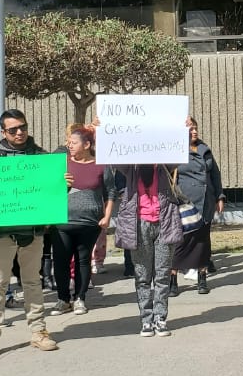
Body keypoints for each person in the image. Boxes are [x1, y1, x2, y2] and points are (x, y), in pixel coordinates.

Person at [0, 109, 59, 359]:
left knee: (33, 282)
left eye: (22, 127)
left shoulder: (41, 157)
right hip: (1, 234)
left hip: (32, 231)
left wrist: (60, 184)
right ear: (3, 132)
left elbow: (52, 192)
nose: (19, 132)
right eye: (13, 129)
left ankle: (38, 332)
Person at [49, 125, 115, 316]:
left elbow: (110, 192)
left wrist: (107, 215)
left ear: (87, 144)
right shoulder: (62, 163)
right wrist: (61, 184)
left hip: (90, 223)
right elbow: (47, 189)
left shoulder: (101, 165)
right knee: (60, 261)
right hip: (62, 221)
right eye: (68, 143)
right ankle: (63, 299)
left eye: (74, 143)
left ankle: (80, 298)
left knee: (83, 260)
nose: (70, 146)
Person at [114, 163, 183, 337]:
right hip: (139, 225)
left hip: (164, 223)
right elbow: (114, 160)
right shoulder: (131, 168)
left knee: (162, 274)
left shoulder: (165, 165)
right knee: (142, 275)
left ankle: (160, 318)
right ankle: (146, 319)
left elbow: (181, 152)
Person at [173, 116, 224, 296]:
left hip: (205, 202)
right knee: (180, 242)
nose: (194, 131)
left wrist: (219, 196)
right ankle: (173, 280)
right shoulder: (174, 150)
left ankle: (202, 279)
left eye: (195, 128)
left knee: (203, 243)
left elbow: (215, 175)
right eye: (190, 129)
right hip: (185, 203)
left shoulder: (205, 149)